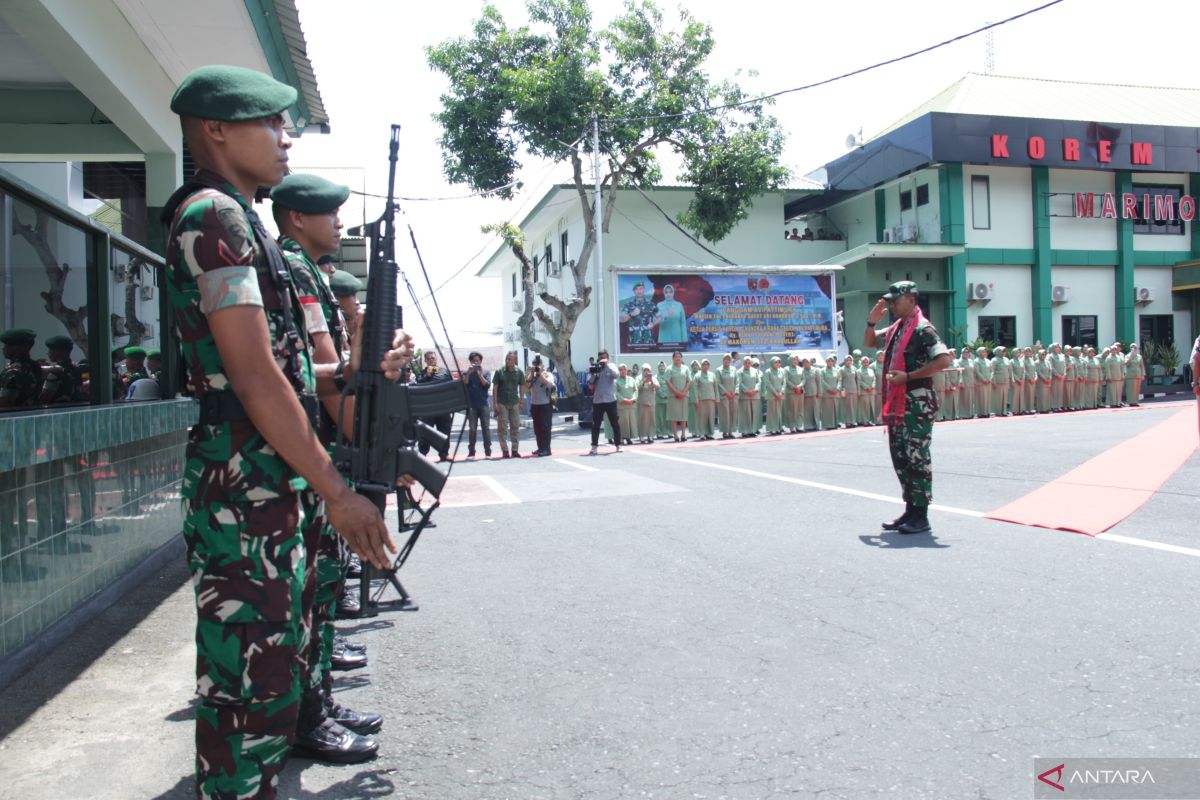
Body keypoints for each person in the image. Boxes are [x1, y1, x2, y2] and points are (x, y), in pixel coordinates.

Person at [162, 65, 414, 798]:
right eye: (270, 124)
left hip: (269, 470)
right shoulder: (213, 217)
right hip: (245, 474)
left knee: (278, 663)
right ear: (216, 130)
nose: (285, 140)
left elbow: (293, 375)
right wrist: (335, 489)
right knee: (250, 680)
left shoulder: (239, 219)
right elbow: (253, 374)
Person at [864, 281, 952, 535]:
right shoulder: (897, 328)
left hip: (917, 402)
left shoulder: (923, 329)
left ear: (912, 301)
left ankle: (921, 516)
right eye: (890, 300)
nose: (891, 305)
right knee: (901, 458)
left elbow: (944, 360)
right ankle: (910, 510)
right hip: (899, 403)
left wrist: (909, 376)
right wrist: (871, 322)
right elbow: (870, 342)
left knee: (917, 458)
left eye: (896, 300)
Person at [414, 350, 454, 462]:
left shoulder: (445, 372)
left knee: (445, 431)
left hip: (443, 407)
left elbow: (451, 387)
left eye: (434, 358)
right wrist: (428, 374)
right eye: (430, 358)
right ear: (426, 361)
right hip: (428, 408)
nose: (432, 360)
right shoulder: (421, 374)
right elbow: (419, 385)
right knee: (425, 432)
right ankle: (422, 454)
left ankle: (444, 454)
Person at [588, 349, 621, 454]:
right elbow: (590, 385)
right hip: (598, 400)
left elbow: (616, 375)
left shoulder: (611, 366)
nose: (602, 359)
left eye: (604, 357)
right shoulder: (594, 368)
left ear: (607, 358)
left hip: (610, 399)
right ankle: (594, 447)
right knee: (595, 425)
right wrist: (595, 373)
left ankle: (618, 445)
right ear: (598, 358)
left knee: (614, 423)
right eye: (601, 357)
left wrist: (606, 365)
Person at [492, 350, 524, 458]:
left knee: (515, 426)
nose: (509, 361)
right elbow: (495, 388)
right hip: (502, 402)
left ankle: (515, 450)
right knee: (502, 427)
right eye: (507, 359)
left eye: (511, 359)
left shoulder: (519, 372)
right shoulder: (499, 371)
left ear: (515, 360)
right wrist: (495, 403)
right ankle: (505, 450)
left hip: (514, 402)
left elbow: (522, 386)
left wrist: (522, 400)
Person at [461, 350, 492, 459]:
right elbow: (464, 385)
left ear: (481, 361)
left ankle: (488, 451)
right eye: (474, 361)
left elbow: (486, 385)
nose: (476, 363)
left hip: (483, 404)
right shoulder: (466, 372)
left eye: (478, 361)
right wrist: (469, 373)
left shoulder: (486, 372)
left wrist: (479, 375)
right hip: (471, 405)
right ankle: (471, 452)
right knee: (472, 429)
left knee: (486, 428)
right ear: (470, 362)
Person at [38, 334, 85, 404]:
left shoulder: (55, 373)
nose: (47, 353)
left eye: (50, 350)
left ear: (59, 352)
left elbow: (45, 397)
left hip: (57, 410)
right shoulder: (76, 369)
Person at [0, 328, 40, 408]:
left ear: (17, 347)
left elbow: (5, 403)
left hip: (13, 416)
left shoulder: (12, 371)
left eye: (7, 345)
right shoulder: (35, 366)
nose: (3, 348)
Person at [526, 355, 556, 456]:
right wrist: (531, 373)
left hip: (545, 405)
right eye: (535, 365)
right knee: (537, 428)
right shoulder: (532, 376)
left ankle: (547, 449)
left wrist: (540, 374)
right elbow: (527, 386)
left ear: (542, 365)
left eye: (538, 365)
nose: (537, 367)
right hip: (535, 405)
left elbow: (550, 385)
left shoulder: (548, 374)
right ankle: (540, 448)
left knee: (545, 428)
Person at [663, 350, 691, 441]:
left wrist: (683, 392)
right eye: (676, 357)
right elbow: (668, 382)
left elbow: (689, 381)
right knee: (674, 416)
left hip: (684, 395)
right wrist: (677, 393)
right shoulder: (669, 368)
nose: (678, 358)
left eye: (679, 356)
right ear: (673, 358)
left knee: (683, 416)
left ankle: (683, 435)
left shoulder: (686, 368)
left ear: (681, 358)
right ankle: (675, 435)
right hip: (673, 396)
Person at [620, 281, 659, 346]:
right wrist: (631, 314)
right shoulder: (629, 304)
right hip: (633, 341)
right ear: (634, 291)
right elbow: (621, 319)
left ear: (644, 290)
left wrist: (653, 323)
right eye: (636, 289)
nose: (639, 291)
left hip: (648, 341)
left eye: (641, 288)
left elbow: (659, 316)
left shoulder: (651, 304)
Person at [735, 355, 761, 436]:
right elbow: (739, 383)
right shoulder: (740, 372)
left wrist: (755, 390)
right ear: (743, 363)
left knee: (753, 413)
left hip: (754, 395)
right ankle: (744, 431)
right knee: (745, 414)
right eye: (746, 362)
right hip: (744, 396)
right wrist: (747, 391)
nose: (747, 364)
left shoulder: (754, 371)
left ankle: (751, 430)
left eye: (749, 362)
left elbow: (759, 381)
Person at [693, 358, 718, 440]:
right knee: (702, 417)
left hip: (711, 399)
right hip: (701, 400)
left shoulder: (712, 375)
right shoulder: (697, 376)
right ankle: (702, 434)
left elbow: (715, 388)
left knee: (710, 417)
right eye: (704, 364)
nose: (705, 366)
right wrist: (696, 400)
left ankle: (709, 433)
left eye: (707, 364)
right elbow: (695, 390)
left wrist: (717, 399)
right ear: (701, 366)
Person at [716, 353, 738, 439]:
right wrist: (726, 393)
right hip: (724, 396)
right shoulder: (719, 370)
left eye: (729, 359)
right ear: (723, 360)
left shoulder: (733, 369)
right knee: (725, 414)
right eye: (725, 359)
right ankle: (725, 432)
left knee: (733, 413)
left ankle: (731, 431)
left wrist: (734, 392)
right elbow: (718, 383)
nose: (727, 361)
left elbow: (737, 382)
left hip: (733, 395)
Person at [763, 356, 786, 434]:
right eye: (776, 362)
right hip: (771, 395)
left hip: (780, 395)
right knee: (772, 412)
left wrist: (781, 392)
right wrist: (775, 393)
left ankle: (778, 428)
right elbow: (768, 383)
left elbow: (784, 382)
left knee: (778, 412)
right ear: (772, 363)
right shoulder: (768, 371)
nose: (777, 364)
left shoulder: (781, 371)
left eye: (779, 362)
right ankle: (772, 428)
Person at [636, 364, 658, 444]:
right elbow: (637, 388)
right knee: (642, 420)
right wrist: (644, 381)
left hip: (651, 402)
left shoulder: (653, 378)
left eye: (648, 370)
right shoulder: (639, 378)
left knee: (651, 420)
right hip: (642, 402)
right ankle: (642, 436)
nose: (646, 372)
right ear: (642, 371)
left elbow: (658, 387)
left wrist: (651, 381)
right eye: (645, 370)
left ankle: (651, 436)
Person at [784, 354, 805, 433]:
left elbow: (803, 379)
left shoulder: (801, 369)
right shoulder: (786, 369)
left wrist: (799, 386)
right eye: (794, 359)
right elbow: (786, 379)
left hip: (800, 392)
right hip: (791, 392)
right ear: (790, 360)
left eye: (796, 359)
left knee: (800, 409)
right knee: (792, 410)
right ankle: (792, 426)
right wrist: (794, 387)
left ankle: (799, 425)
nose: (795, 361)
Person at [819, 354, 840, 429]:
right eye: (829, 361)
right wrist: (829, 388)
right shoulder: (822, 371)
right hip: (827, 393)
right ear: (826, 362)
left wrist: (837, 389)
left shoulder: (836, 370)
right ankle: (827, 425)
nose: (830, 362)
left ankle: (834, 424)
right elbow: (822, 381)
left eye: (832, 361)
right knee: (827, 409)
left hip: (835, 393)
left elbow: (839, 380)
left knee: (835, 409)